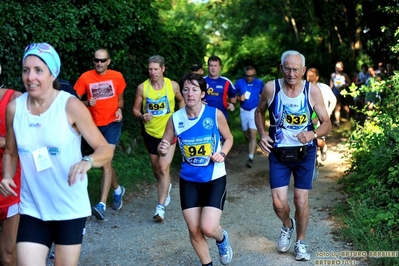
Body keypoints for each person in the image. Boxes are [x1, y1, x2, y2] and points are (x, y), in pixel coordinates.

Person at [0, 42, 113, 266]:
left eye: (38, 70)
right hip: (33, 207)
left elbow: (104, 149)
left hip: (69, 208)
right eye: (26, 70)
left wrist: (87, 161)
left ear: (53, 74)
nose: (30, 77)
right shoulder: (15, 108)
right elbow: (11, 152)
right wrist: (6, 175)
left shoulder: (69, 106)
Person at [255, 50, 332, 261]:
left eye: (296, 69)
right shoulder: (271, 88)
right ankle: (288, 225)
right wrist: (262, 134)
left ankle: (300, 242)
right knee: (279, 203)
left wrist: (313, 133)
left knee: (300, 200)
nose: (291, 73)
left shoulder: (312, 91)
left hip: (304, 153)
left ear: (303, 70)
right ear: (281, 68)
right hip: (278, 153)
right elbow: (259, 111)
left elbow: (327, 122)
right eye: (287, 68)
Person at [158, 73, 234, 266]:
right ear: (181, 93)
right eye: (186, 89)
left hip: (214, 177)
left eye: (194, 89)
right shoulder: (175, 119)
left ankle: (221, 239)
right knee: (194, 229)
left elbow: (229, 138)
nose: (190, 93)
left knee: (208, 227)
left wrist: (222, 154)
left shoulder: (214, 114)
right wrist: (163, 147)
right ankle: (207, 264)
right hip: (189, 179)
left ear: (202, 94)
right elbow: (166, 143)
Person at [74, 48, 126, 221]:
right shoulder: (85, 78)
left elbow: (121, 99)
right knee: (106, 161)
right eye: (96, 60)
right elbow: (72, 101)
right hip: (92, 126)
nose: (99, 63)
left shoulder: (117, 76)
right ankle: (118, 189)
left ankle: (101, 205)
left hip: (112, 123)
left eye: (102, 61)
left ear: (108, 61)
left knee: (105, 162)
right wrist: (87, 102)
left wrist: (119, 109)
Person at [132, 55, 184, 222]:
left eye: (155, 69)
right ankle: (165, 186)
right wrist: (141, 116)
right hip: (150, 133)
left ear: (163, 69)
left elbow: (182, 101)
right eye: (150, 69)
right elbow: (134, 110)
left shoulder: (173, 85)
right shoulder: (143, 88)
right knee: (157, 170)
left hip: (169, 133)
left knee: (163, 167)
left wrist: (180, 119)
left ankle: (160, 208)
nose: (152, 72)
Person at [0, 64, 22, 266]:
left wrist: (2, 141)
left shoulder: (14, 99)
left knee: (7, 256)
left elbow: (32, 139)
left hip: (9, 186)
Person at [234, 66, 264, 168]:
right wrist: (238, 97)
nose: (249, 78)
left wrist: (262, 100)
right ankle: (252, 146)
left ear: (254, 75)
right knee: (247, 134)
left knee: (252, 134)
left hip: (254, 110)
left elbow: (264, 95)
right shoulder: (239, 82)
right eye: (247, 76)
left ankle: (250, 157)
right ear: (245, 75)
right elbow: (231, 96)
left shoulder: (260, 83)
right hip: (244, 110)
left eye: (251, 76)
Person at [306, 68, 337, 162]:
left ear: (317, 77)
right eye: (307, 76)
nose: (309, 78)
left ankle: (323, 147)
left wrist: (328, 113)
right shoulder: (302, 88)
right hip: (307, 119)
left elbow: (333, 100)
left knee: (319, 142)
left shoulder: (324, 88)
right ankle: (313, 161)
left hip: (321, 120)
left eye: (312, 76)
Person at [330, 61, 351, 126]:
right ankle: (337, 121)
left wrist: (345, 85)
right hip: (335, 93)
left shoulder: (344, 75)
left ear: (342, 68)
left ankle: (348, 118)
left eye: (338, 68)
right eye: (336, 67)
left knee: (345, 106)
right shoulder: (333, 75)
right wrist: (330, 92)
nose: (337, 69)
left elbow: (349, 82)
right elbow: (331, 84)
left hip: (343, 93)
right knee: (337, 107)